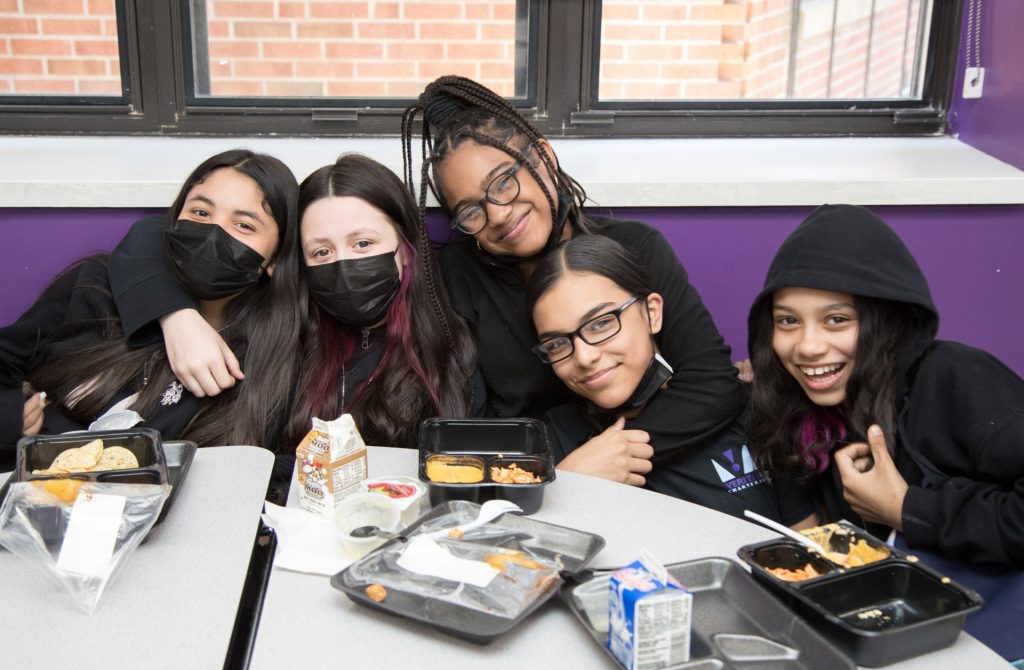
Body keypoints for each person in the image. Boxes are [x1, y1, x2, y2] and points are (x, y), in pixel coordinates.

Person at [400, 76, 746, 488]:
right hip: (528, 486)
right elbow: (471, 429)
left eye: (503, 183)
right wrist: (560, 473)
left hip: (648, 472)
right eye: (470, 210)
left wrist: (602, 462)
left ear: (543, 156)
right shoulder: (456, 277)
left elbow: (710, 385)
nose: (497, 215)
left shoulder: (634, 248)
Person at [747, 204, 1023, 662]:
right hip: (909, 646)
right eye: (787, 321)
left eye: (837, 319)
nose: (808, 345)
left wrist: (908, 509)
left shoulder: (955, 378)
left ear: (885, 320)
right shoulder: (807, 414)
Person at [105, 154, 481, 455]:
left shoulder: (449, 342)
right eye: (321, 251)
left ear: (405, 250)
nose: (344, 263)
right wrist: (177, 318)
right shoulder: (282, 334)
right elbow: (154, 233)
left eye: (363, 244)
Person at [0, 149, 302, 470]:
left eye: (243, 225)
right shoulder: (94, 287)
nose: (213, 233)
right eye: (200, 213)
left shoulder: (274, 357)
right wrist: (8, 418)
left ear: (275, 258)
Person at [528, 235, 779, 520]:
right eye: (557, 344)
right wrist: (567, 483)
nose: (584, 357)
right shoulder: (555, 436)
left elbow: (809, 544)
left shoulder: (752, 411)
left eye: (600, 324)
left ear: (652, 313)